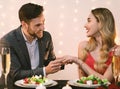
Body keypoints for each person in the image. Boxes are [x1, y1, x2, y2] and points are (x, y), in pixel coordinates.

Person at [0, 3, 63, 89]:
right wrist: (45, 70)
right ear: (24, 24)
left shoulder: (46, 37)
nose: (43, 28)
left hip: (39, 86)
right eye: (38, 25)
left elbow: (49, 62)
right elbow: (16, 74)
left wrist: (61, 62)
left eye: (43, 22)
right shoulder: (8, 41)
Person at [62, 7, 120, 83]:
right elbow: (82, 82)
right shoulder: (83, 46)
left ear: (101, 23)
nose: (85, 25)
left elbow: (105, 81)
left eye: (89, 21)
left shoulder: (117, 51)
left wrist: (78, 61)